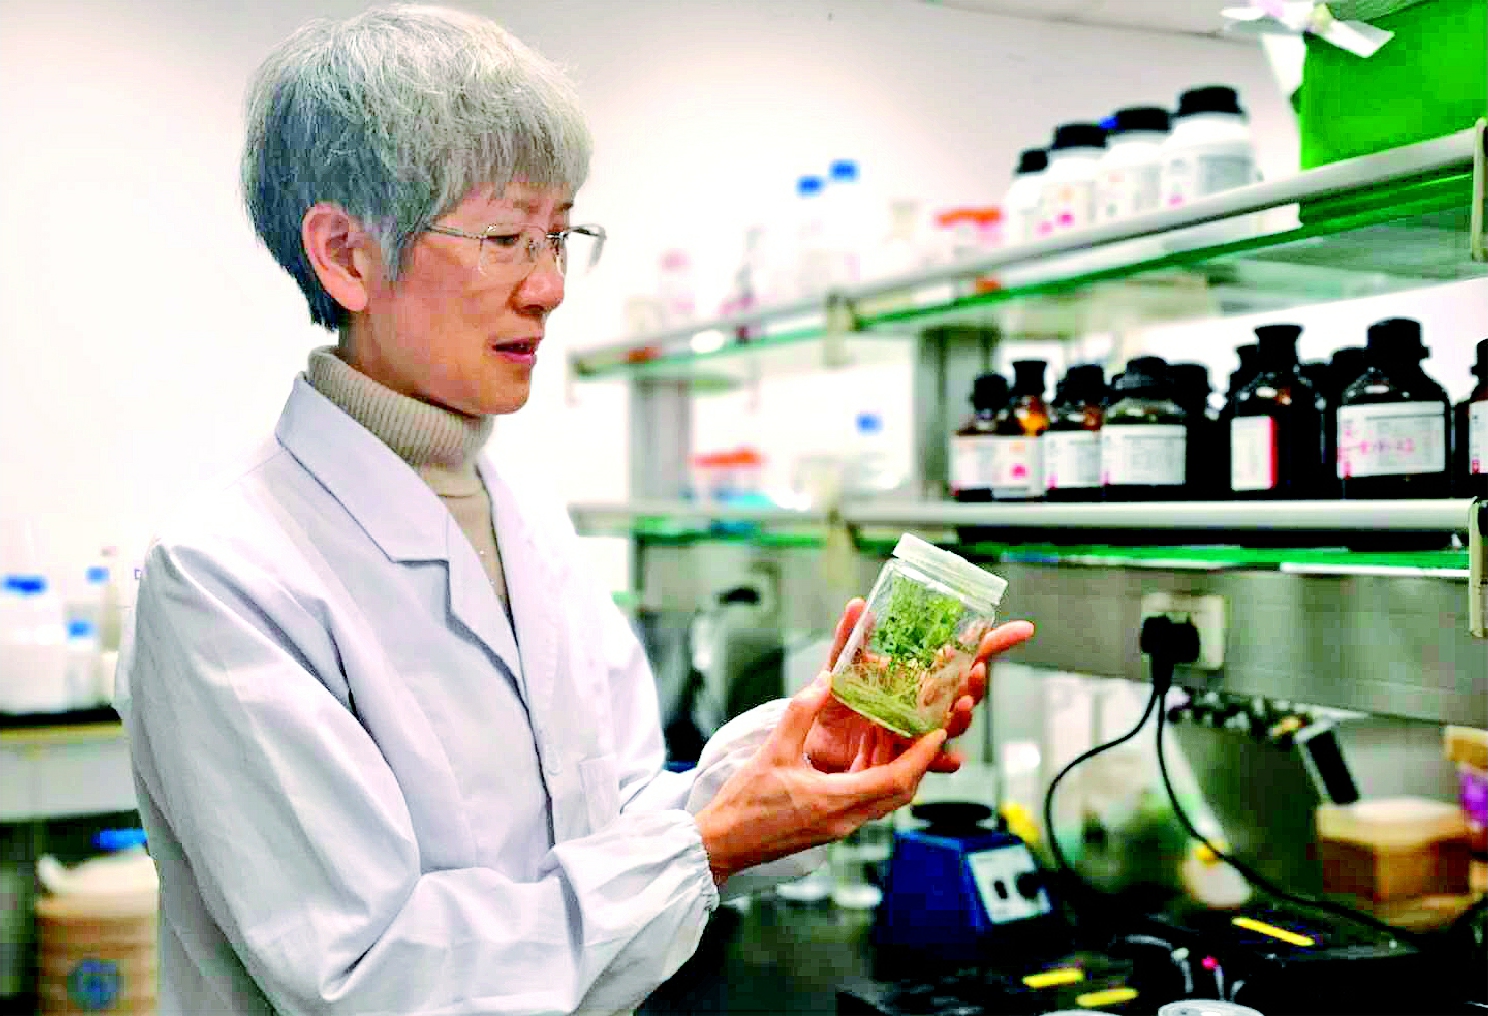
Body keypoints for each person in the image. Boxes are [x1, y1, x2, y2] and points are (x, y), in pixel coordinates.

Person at [114, 6, 1035, 1015]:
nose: (549, 287)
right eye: (507, 237)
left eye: (559, 235)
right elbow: (371, 975)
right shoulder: (226, 577)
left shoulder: (520, 516)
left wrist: (799, 756)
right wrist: (712, 844)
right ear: (346, 255)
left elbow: (618, 818)